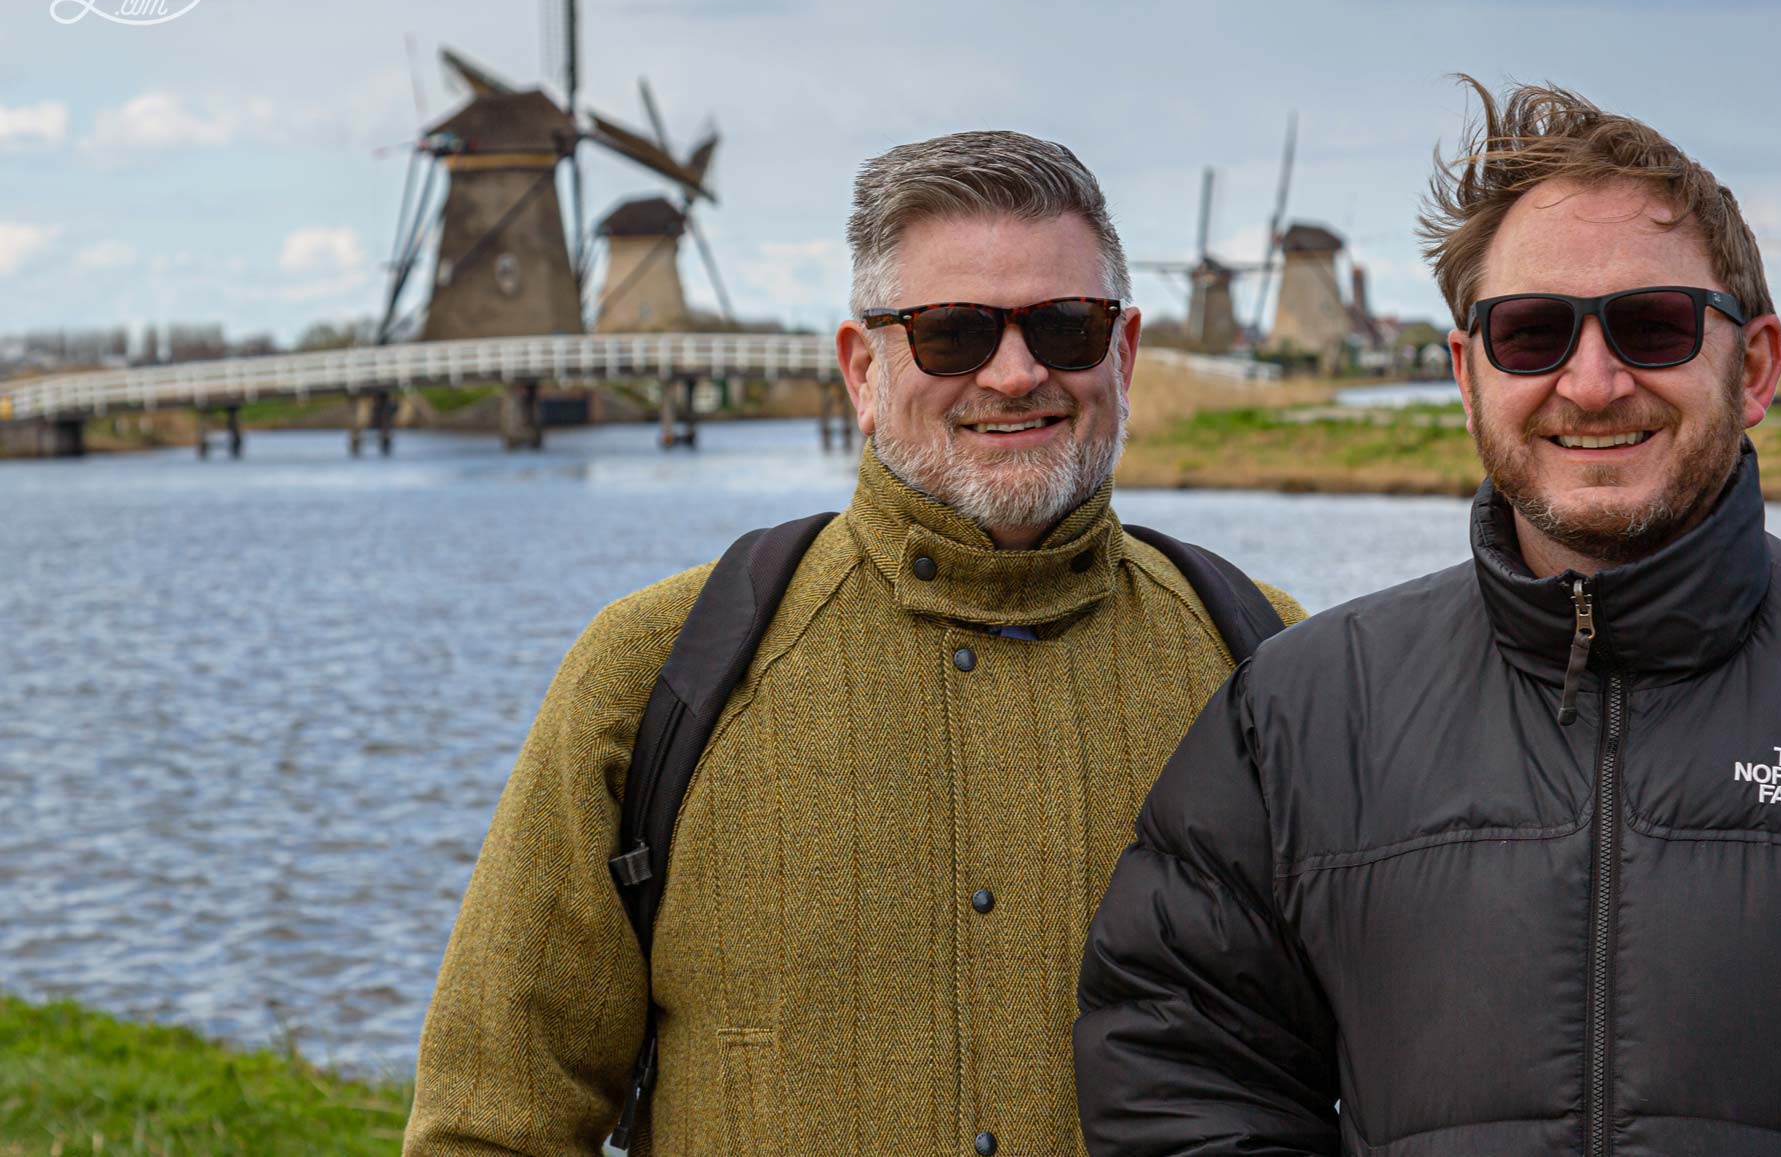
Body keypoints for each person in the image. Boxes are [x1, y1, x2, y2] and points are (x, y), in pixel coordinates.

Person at [1074, 80, 1781, 1154]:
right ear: (1467, 375)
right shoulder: (1295, 717)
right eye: (1530, 333)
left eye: (1652, 327)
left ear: (1751, 367)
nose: (1593, 381)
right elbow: (1181, 1073)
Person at [404, 130, 1305, 1156]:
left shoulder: (1270, 668)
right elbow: (493, 1120)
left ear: (1123, 353)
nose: (1013, 374)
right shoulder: (652, 672)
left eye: (1064, 326)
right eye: (950, 332)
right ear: (860, 372)